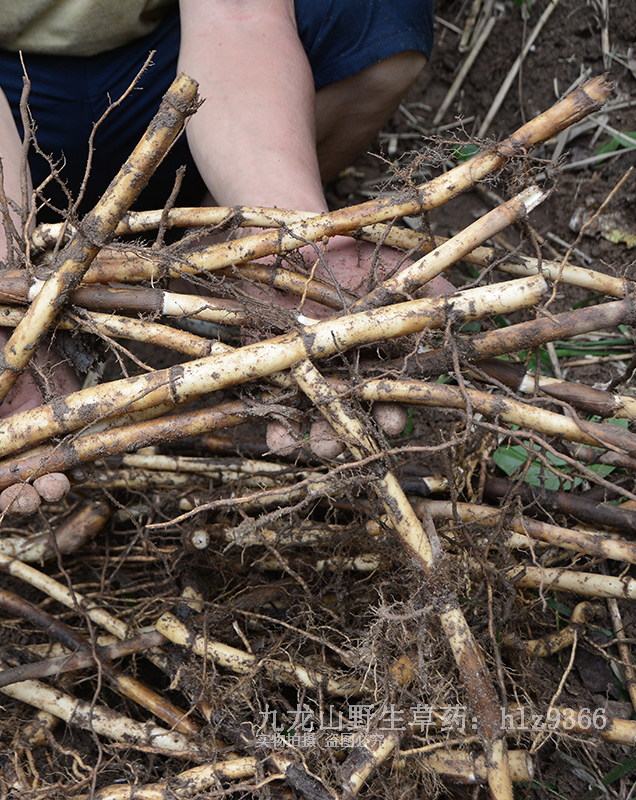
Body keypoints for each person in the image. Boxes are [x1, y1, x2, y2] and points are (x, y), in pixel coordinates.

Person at [0, 0, 449, 514]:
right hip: (21, 109)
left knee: (374, 16)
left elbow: (238, 14)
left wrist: (286, 238)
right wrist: (5, 298)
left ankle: (228, 236)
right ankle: (39, 254)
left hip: (170, 71)